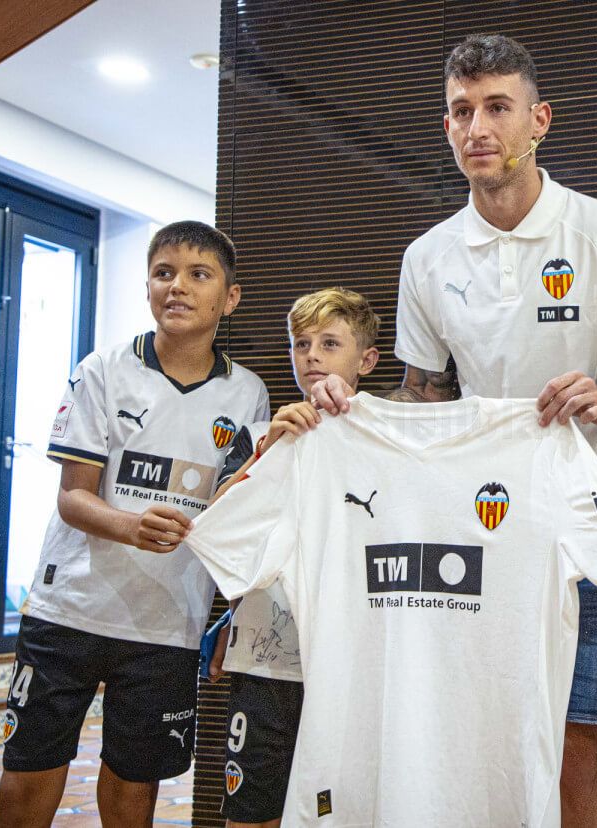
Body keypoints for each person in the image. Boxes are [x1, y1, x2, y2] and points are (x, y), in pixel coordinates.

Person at [313, 34, 597, 827]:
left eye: (497, 108)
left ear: (538, 119)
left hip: (579, 531)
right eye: (460, 111)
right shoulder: (428, 256)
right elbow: (422, 398)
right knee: (466, 745)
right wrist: (349, 408)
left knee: (572, 760)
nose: (477, 127)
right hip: (472, 530)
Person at [0, 221, 269, 828]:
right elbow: (73, 499)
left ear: (230, 297)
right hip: (69, 609)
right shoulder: (102, 370)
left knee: (134, 777)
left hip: (168, 624)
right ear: (148, 285)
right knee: (31, 764)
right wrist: (130, 527)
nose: (177, 287)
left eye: (199, 275)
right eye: (163, 272)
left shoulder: (249, 394)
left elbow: (237, 509)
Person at [208, 287, 379, 828]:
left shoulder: (390, 439)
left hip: (354, 662)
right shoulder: (259, 434)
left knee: (342, 811)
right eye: (301, 343)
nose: (312, 355)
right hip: (266, 657)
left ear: (366, 360)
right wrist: (266, 453)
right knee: (252, 808)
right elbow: (213, 523)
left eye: (330, 343)